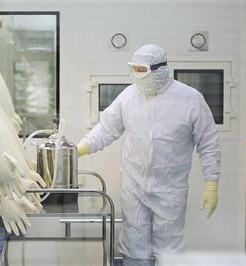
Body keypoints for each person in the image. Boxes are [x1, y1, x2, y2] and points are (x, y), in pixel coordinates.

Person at [76, 44, 221, 266]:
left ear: (160, 69)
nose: (136, 75)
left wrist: (211, 184)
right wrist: (80, 149)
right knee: (135, 246)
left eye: (141, 70)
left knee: (169, 247)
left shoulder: (190, 99)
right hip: (134, 184)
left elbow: (209, 142)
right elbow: (106, 129)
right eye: (133, 69)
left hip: (171, 188)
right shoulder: (129, 96)